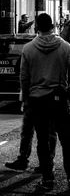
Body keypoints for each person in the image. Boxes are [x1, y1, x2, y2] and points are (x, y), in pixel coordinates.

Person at [20, 13, 70, 191]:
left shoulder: (28, 49)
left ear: (36, 28)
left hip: (37, 100)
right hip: (59, 98)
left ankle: (48, 179)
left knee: (42, 141)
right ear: (53, 27)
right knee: (66, 140)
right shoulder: (66, 48)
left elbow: (24, 78)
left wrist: (25, 99)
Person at [4, 101, 57, 172]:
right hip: (37, 100)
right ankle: (46, 163)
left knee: (43, 133)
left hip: (42, 100)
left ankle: (46, 163)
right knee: (30, 132)